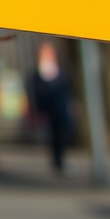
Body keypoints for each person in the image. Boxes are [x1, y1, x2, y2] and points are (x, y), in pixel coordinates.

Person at [28, 41, 75, 176]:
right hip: (48, 109)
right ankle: (57, 161)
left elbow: (67, 88)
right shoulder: (38, 72)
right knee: (53, 136)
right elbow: (36, 91)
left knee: (65, 133)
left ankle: (61, 159)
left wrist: (72, 103)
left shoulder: (61, 69)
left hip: (61, 107)